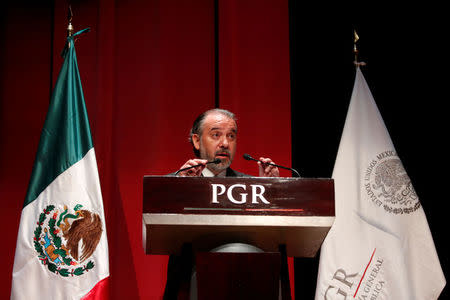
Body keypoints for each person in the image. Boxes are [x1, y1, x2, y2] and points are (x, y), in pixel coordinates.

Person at [176, 108, 279, 177]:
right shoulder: (169, 184)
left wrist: (268, 189)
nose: (225, 144)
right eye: (216, 135)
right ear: (197, 141)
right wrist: (181, 187)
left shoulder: (249, 188)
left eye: (231, 136)